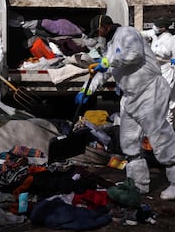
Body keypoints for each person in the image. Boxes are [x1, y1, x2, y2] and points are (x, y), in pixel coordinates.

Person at [75, 15, 175, 200]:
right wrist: (86, 90)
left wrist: (106, 62)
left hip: (149, 90)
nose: (98, 35)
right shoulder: (110, 46)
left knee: (159, 135)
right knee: (129, 141)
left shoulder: (128, 33)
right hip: (130, 96)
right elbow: (104, 72)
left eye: (98, 31)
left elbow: (133, 54)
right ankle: (138, 184)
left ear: (106, 26)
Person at [140, 17, 175, 127]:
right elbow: (142, 34)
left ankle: (168, 129)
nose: (154, 27)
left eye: (157, 26)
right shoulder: (154, 34)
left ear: (163, 28)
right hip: (155, 72)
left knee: (167, 102)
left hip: (168, 73)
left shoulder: (171, 40)